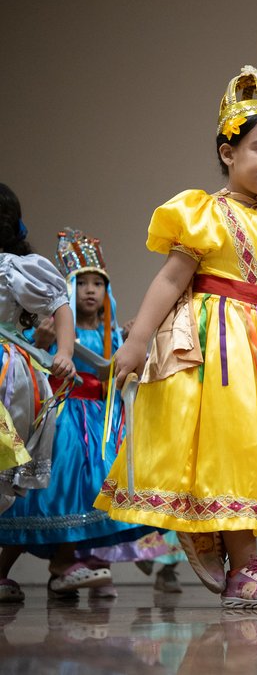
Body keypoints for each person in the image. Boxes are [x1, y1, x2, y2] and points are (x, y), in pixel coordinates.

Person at [93, 65, 257, 609]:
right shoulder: (202, 212)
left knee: (254, 449)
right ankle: (245, 568)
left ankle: (217, 539)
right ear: (228, 151)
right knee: (228, 447)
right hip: (216, 349)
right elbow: (170, 280)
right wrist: (138, 342)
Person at [0, 229, 161, 601]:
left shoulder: (115, 337)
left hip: (100, 422)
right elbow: (39, 362)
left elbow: (117, 374)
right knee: (50, 492)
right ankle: (41, 567)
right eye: (82, 283)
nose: (90, 290)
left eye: (97, 284)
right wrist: (43, 342)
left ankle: (71, 563)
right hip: (66, 421)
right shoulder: (55, 331)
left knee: (94, 492)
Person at [0, 185, 77, 604]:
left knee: (2, 461)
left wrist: (64, 352)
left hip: (5, 377)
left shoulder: (14, 267)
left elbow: (58, 302)